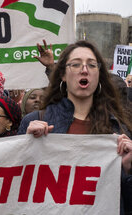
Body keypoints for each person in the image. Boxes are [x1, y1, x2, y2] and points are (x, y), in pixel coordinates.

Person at [18, 40, 132, 214]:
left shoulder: (118, 129)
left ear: (99, 75)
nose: (84, 69)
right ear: (63, 74)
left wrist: (128, 170)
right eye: (76, 64)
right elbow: (15, 189)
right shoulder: (33, 121)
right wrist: (26, 148)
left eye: (92, 65)